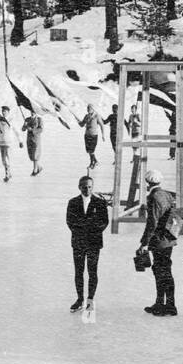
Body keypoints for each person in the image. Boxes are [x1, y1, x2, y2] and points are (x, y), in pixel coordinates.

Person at [138, 169, 179, 316]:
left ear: (147, 183)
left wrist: (144, 242)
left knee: (160, 271)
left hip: (158, 240)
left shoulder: (153, 197)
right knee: (166, 270)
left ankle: (161, 304)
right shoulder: (167, 194)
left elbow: (152, 222)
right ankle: (169, 304)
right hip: (168, 239)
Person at [66, 175, 109, 313]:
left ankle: (90, 300)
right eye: (84, 187)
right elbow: (70, 222)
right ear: (79, 187)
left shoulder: (100, 203)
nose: (87, 189)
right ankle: (79, 299)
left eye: (90, 187)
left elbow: (104, 222)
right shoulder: (72, 202)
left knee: (92, 271)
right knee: (78, 272)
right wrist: (84, 229)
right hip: (78, 243)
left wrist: (90, 231)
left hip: (93, 243)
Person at [0, 105, 19, 182]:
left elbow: (16, 131)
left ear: (8, 112)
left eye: (5, 111)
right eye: (3, 111)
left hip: (9, 141)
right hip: (1, 141)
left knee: (7, 158)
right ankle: (8, 173)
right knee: (3, 159)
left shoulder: (11, 120)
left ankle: (7, 174)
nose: (3, 113)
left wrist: (20, 141)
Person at [80, 104, 103, 171]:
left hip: (94, 135)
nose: (88, 109)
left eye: (89, 108)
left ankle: (92, 163)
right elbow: (82, 125)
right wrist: (79, 122)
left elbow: (102, 125)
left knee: (92, 150)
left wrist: (103, 135)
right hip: (87, 135)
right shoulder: (86, 116)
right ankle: (95, 161)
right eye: (87, 108)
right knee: (88, 151)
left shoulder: (96, 116)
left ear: (93, 109)